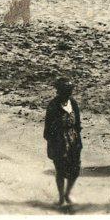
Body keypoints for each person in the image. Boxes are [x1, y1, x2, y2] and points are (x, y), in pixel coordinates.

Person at [44, 77, 83, 207]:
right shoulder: (53, 105)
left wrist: (77, 140)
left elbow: (78, 124)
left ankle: (67, 193)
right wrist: (54, 143)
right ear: (59, 91)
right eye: (65, 91)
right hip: (58, 141)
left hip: (73, 139)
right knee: (60, 170)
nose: (68, 93)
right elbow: (47, 129)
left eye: (69, 91)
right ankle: (61, 197)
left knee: (75, 169)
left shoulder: (73, 103)